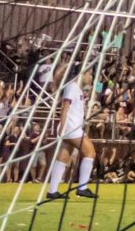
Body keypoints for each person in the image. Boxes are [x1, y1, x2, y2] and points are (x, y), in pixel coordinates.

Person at [39, 50, 97, 202]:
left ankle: (52, 191)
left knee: (63, 157)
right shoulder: (71, 87)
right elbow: (64, 107)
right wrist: (63, 127)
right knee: (90, 153)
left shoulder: (76, 89)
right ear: (81, 74)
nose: (91, 77)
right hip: (71, 128)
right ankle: (82, 188)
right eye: (89, 73)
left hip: (72, 127)